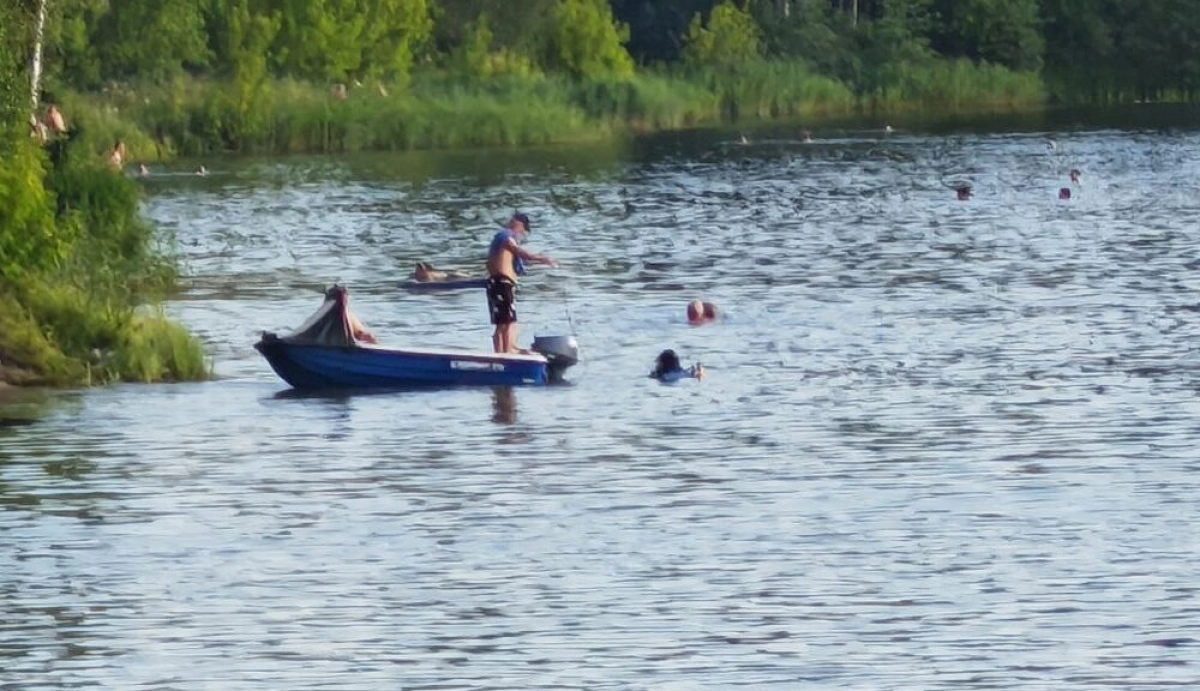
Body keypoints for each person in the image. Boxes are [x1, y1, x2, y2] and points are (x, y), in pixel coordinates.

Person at [486, 212, 556, 354]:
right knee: (505, 323)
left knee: (507, 321)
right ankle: (505, 352)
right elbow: (520, 252)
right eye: (522, 230)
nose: (522, 234)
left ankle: (505, 351)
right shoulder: (505, 235)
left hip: (502, 284)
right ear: (518, 224)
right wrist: (542, 258)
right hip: (501, 283)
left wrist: (541, 263)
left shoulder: (506, 240)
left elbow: (520, 262)